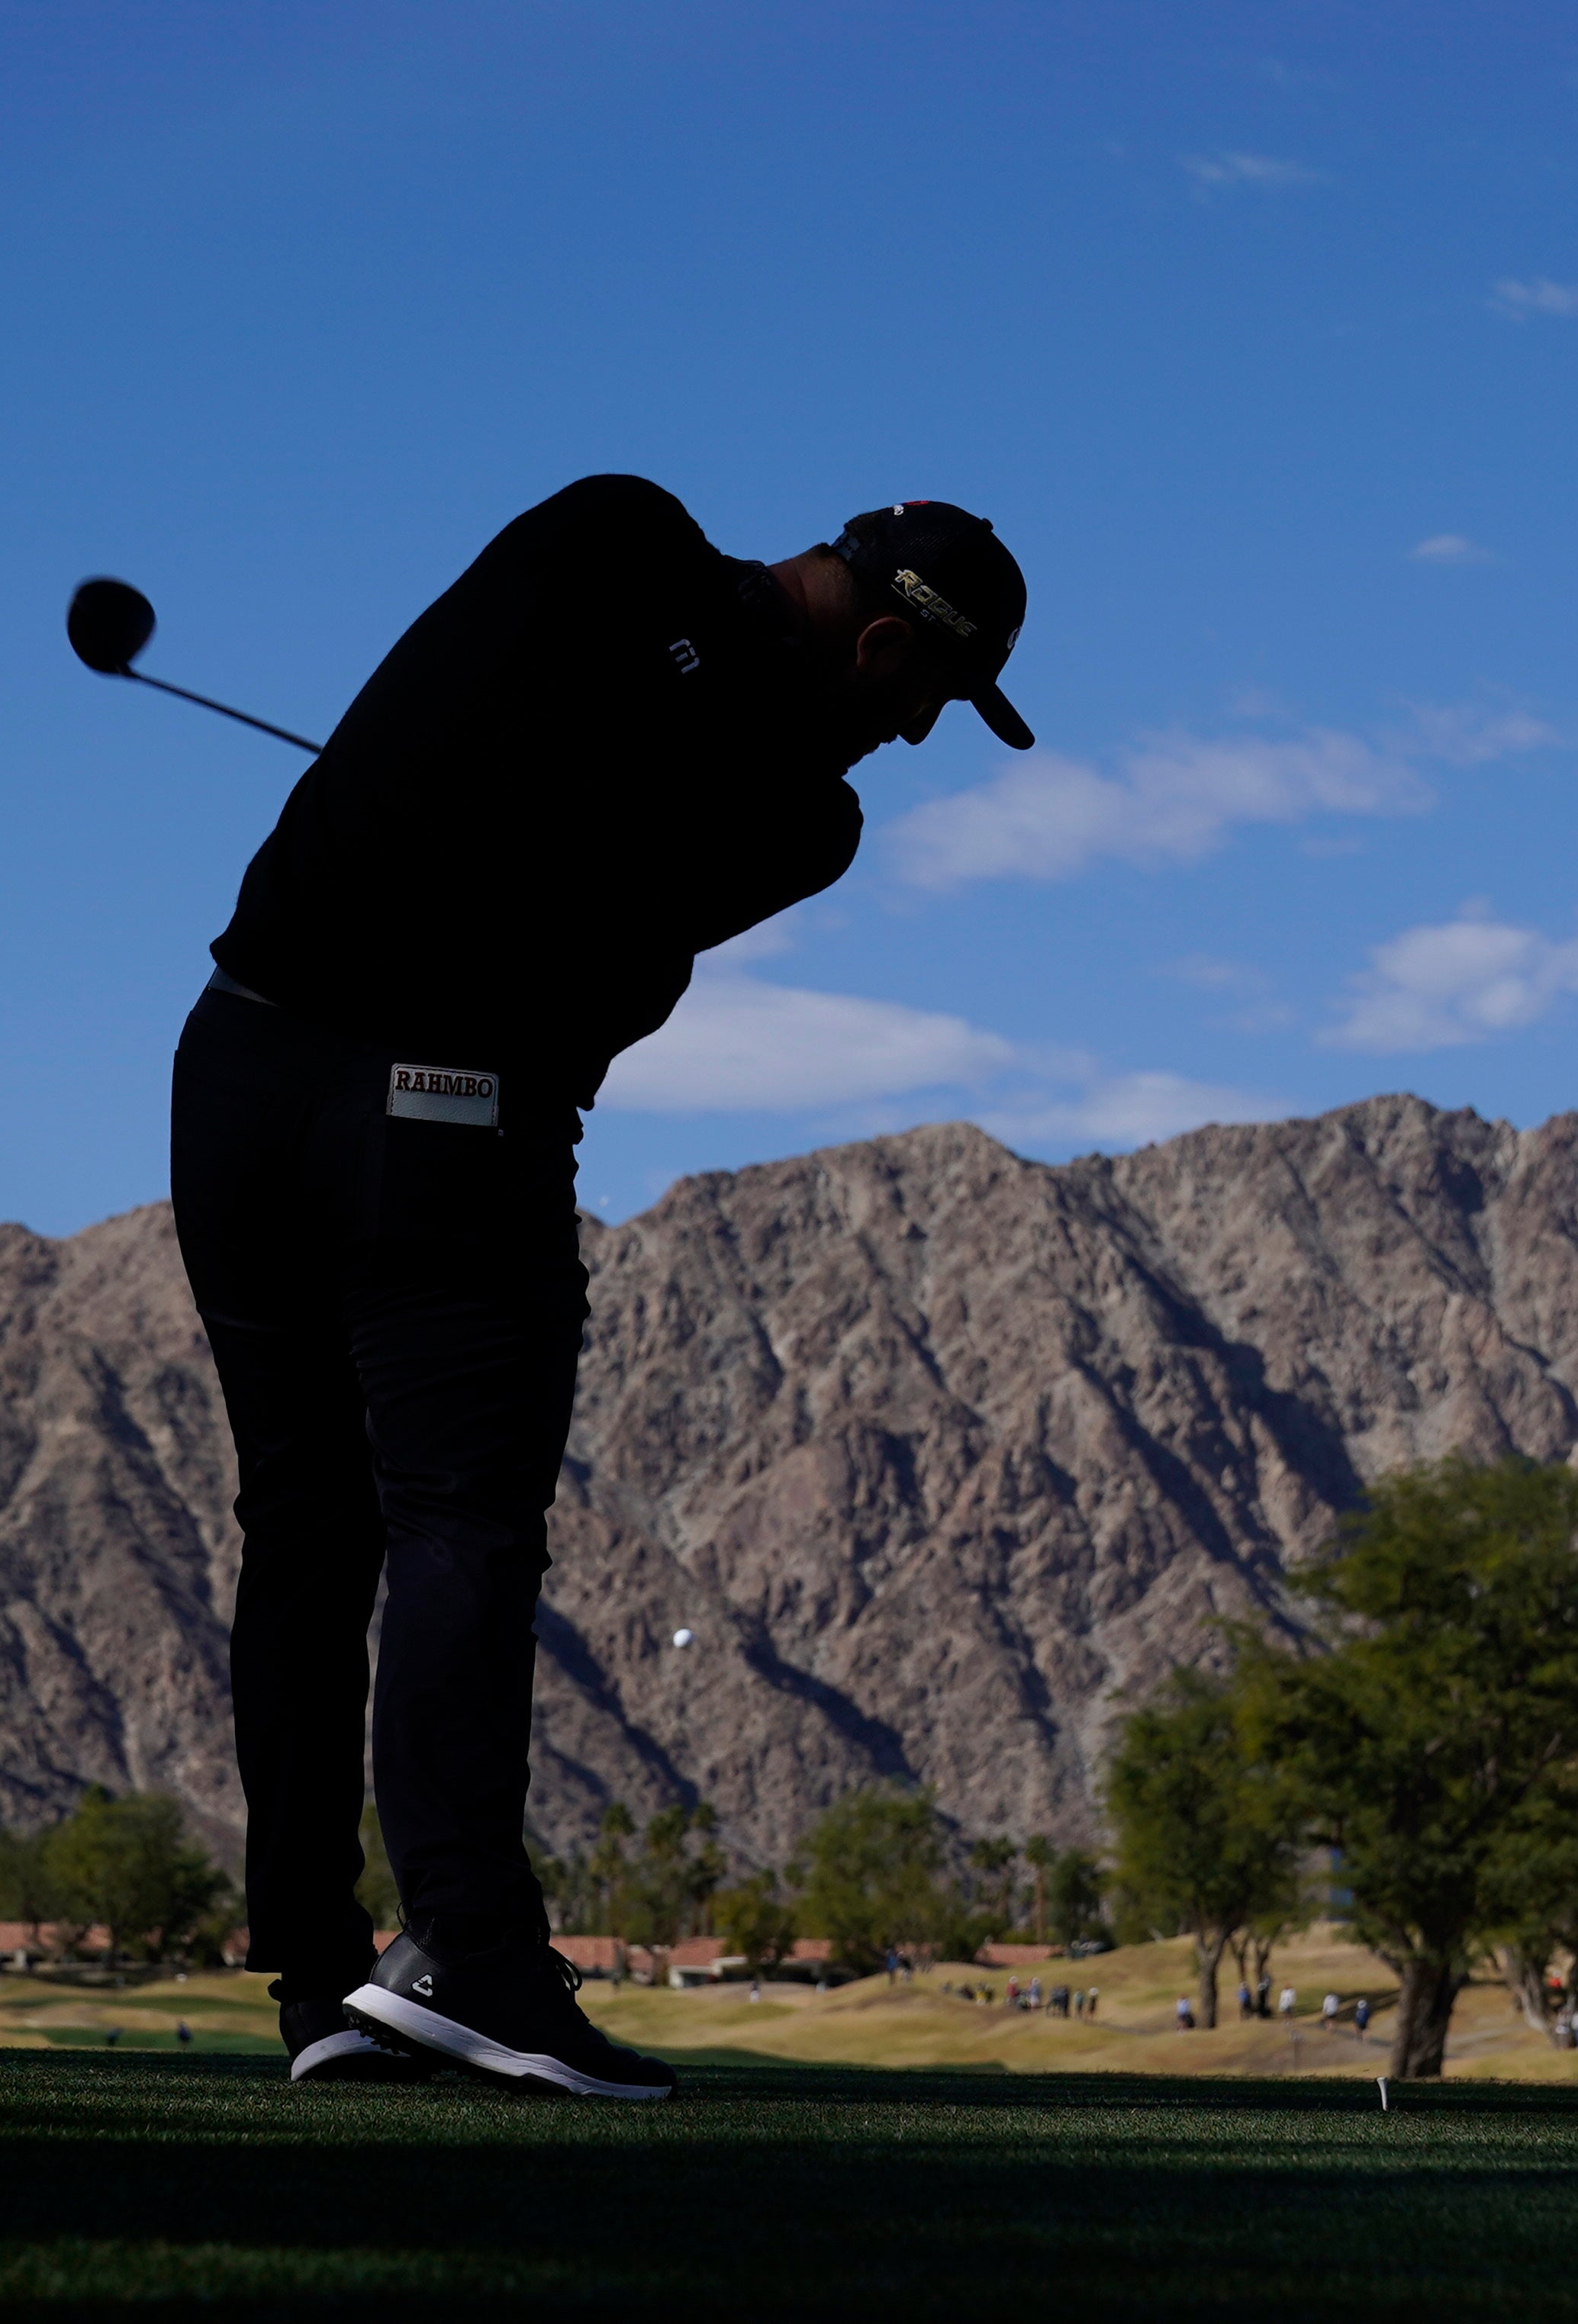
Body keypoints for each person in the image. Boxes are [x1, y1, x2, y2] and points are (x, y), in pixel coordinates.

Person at [176, 479, 1035, 2099]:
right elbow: (631, 876)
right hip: (432, 1118)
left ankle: (316, 1983)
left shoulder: (659, 613)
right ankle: (470, 1955)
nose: (913, 745)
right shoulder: (670, 609)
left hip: (233, 1076)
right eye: (925, 702)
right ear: (873, 642)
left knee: (302, 1529)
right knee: (454, 1519)